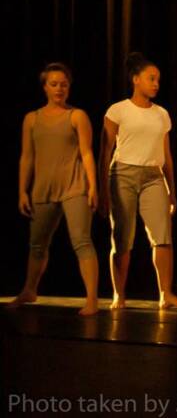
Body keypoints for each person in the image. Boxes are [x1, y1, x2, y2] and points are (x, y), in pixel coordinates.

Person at [101, 52, 177, 309]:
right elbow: (104, 152)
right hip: (123, 174)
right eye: (151, 78)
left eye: (158, 80)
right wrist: (103, 190)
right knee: (122, 238)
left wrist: (172, 190)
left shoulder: (162, 114)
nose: (156, 84)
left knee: (163, 236)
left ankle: (166, 294)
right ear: (136, 79)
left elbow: (167, 156)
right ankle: (119, 295)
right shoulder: (118, 110)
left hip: (153, 176)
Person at [9, 63, 100, 315]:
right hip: (43, 188)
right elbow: (26, 157)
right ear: (45, 87)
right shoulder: (32, 119)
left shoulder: (77, 116)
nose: (59, 88)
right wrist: (22, 191)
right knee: (37, 244)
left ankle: (92, 299)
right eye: (54, 84)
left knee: (82, 241)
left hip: (74, 185)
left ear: (69, 87)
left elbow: (87, 152)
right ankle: (29, 290)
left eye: (64, 84)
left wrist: (93, 187)